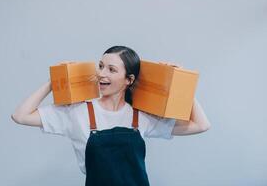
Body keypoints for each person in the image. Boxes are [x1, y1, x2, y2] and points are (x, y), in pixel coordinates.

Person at [11, 46, 211, 186]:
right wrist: (52, 81)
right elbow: (20, 115)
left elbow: (201, 125)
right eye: (100, 66)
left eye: (111, 69)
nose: (101, 74)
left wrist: (182, 83)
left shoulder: (140, 115)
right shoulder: (77, 112)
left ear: (128, 80)